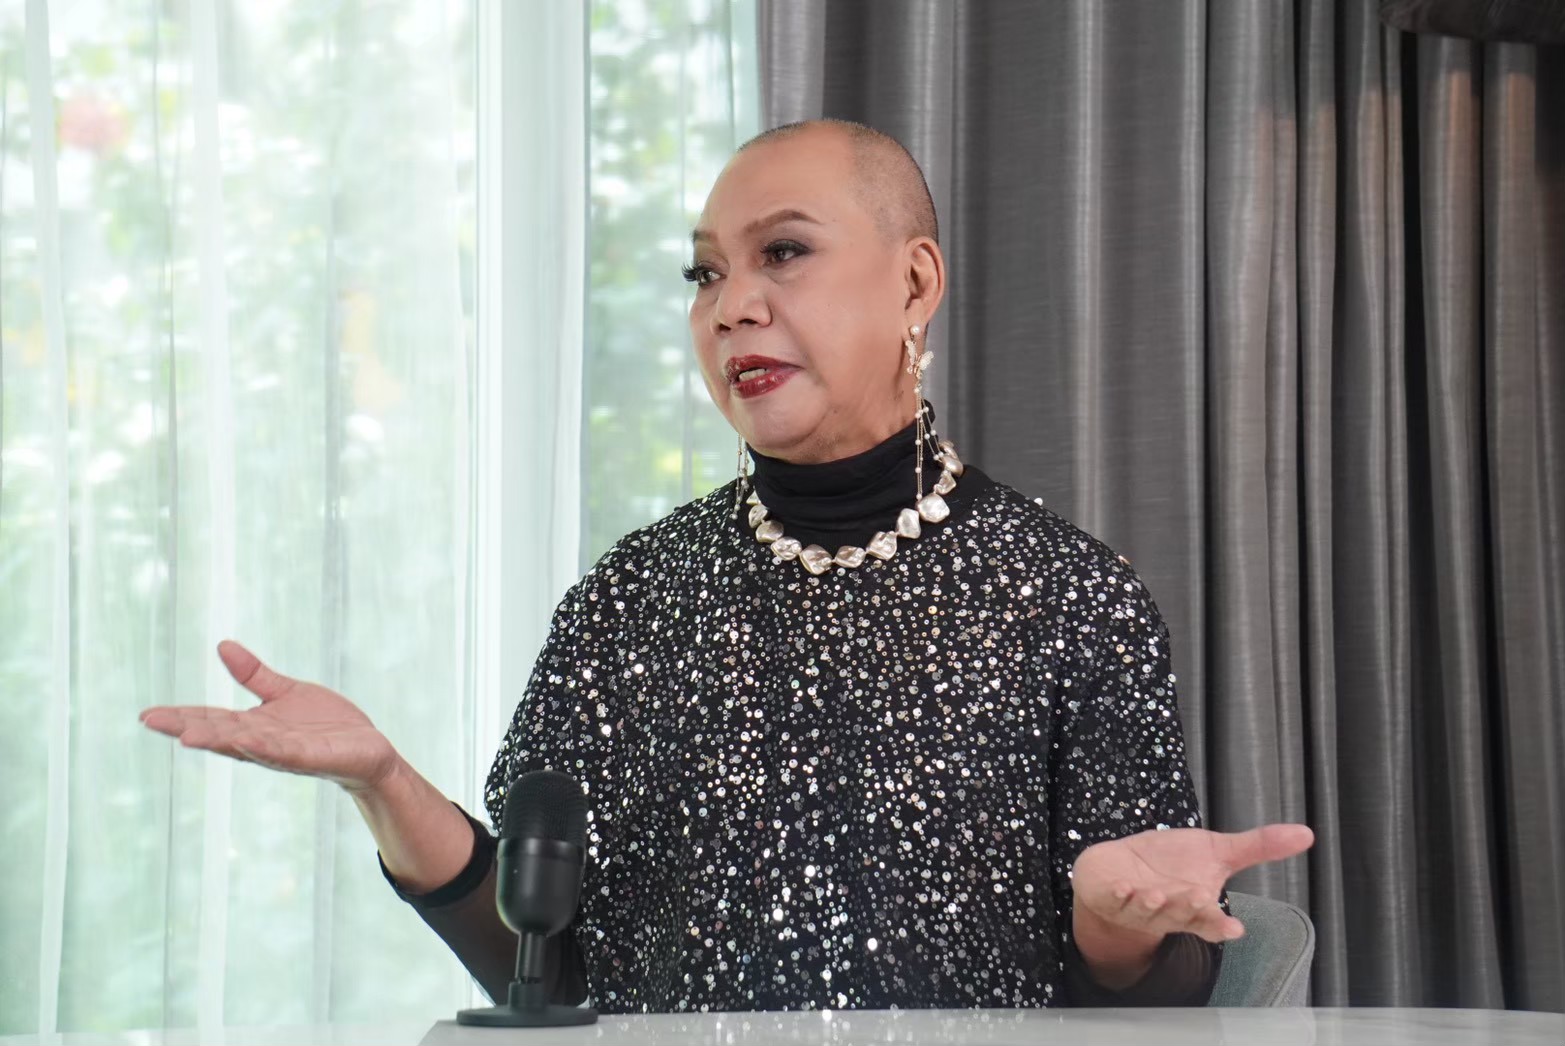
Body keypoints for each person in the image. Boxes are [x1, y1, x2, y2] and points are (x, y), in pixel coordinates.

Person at [140, 119, 1313, 1012]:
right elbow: (543, 967)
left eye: (782, 253)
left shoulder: (1071, 597)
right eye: (704, 274)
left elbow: (1157, 1002)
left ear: (913, 283)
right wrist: (385, 781)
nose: (730, 307)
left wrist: (1116, 925)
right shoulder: (631, 598)